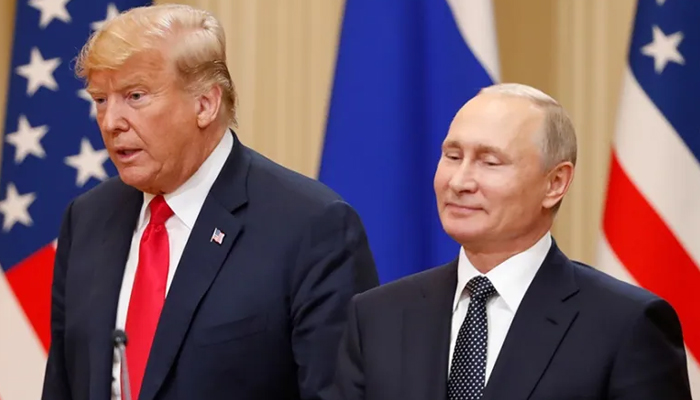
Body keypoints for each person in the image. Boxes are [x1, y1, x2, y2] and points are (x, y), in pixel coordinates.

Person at [40, 4, 379, 400]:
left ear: (205, 104)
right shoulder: (87, 218)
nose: (111, 120)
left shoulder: (312, 228)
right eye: (100, 99)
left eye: (135, 95)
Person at [331, 83, 692, 400]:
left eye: (489, 162)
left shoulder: (625, 324)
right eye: (452, 157)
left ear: (555, 184)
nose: (459, 181)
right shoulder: (378, 317)